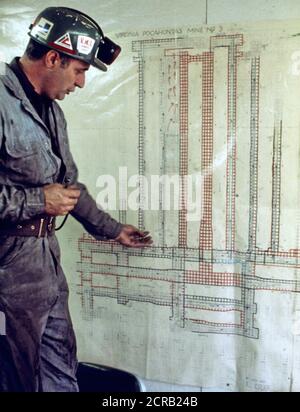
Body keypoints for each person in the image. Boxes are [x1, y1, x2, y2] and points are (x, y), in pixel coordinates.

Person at [0, 6, 152, 392]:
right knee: (20, 374)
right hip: (8, 261)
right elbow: (47, 197)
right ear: (53, 57)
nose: (82, 83)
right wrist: (36, 201)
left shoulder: (51, 109)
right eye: (80, 70)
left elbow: (68, 190)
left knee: (59, 363)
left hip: (45, 259)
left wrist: (113, 230)